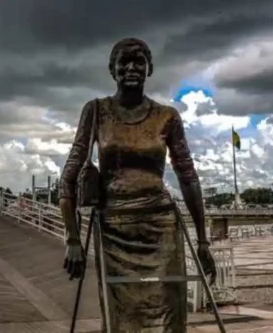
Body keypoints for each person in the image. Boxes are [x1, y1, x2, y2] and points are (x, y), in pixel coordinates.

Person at [59, 37, 216, 332]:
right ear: (112, 69)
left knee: (171, 313)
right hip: (114, 229)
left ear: (150, 68)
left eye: (139, 61)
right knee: (119, 318)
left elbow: (188, 176)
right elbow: (68, 177)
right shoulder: (95, 111)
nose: (131, 68)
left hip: (162, 226)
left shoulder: (166, 116)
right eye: (124, 61)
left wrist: (204, 241)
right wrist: (72, 240)